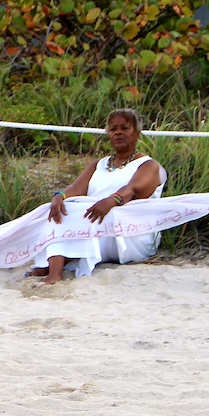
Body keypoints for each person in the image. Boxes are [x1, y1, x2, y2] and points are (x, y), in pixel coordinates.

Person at [27, 108, 166, 284]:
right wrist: (59, 196)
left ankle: (54, 268)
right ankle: (55, 270)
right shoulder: (98, 165)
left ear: (137, 133)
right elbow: (76, 188)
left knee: (85, 214)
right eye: (113, 129)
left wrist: (111, 200)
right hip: (95, 221)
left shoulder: (148, 165)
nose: (118, 133)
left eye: (124, 128)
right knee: (63, 209)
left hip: (131, 232)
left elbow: (133, 189)